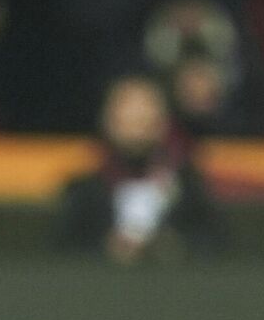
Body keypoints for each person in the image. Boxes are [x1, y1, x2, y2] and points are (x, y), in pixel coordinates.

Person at [55, 74, 227, 264]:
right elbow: (62, 252)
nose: (138, 118)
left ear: (164, 122)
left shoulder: (189, 188)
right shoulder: (84, 193)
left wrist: (172, 247)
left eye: (146, 110)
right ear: (107, 121)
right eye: (127, 112)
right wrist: (107, 249)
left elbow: (216, 246)